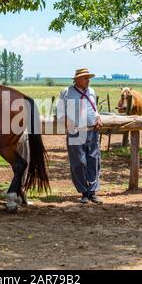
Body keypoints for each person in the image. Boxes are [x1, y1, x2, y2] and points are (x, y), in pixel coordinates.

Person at [58, 68, 103, 204]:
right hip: (75, 131)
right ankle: (84, 191)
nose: (88, 81)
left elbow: (94, 108)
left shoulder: (92, 92)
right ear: (76, 79)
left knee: (93, 161)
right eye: (85, 78)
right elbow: (60, 112)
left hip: (92, 130)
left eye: (88, 78)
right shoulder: (66, 92)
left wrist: (98, 117)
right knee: (79, 162)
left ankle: (92, 192)